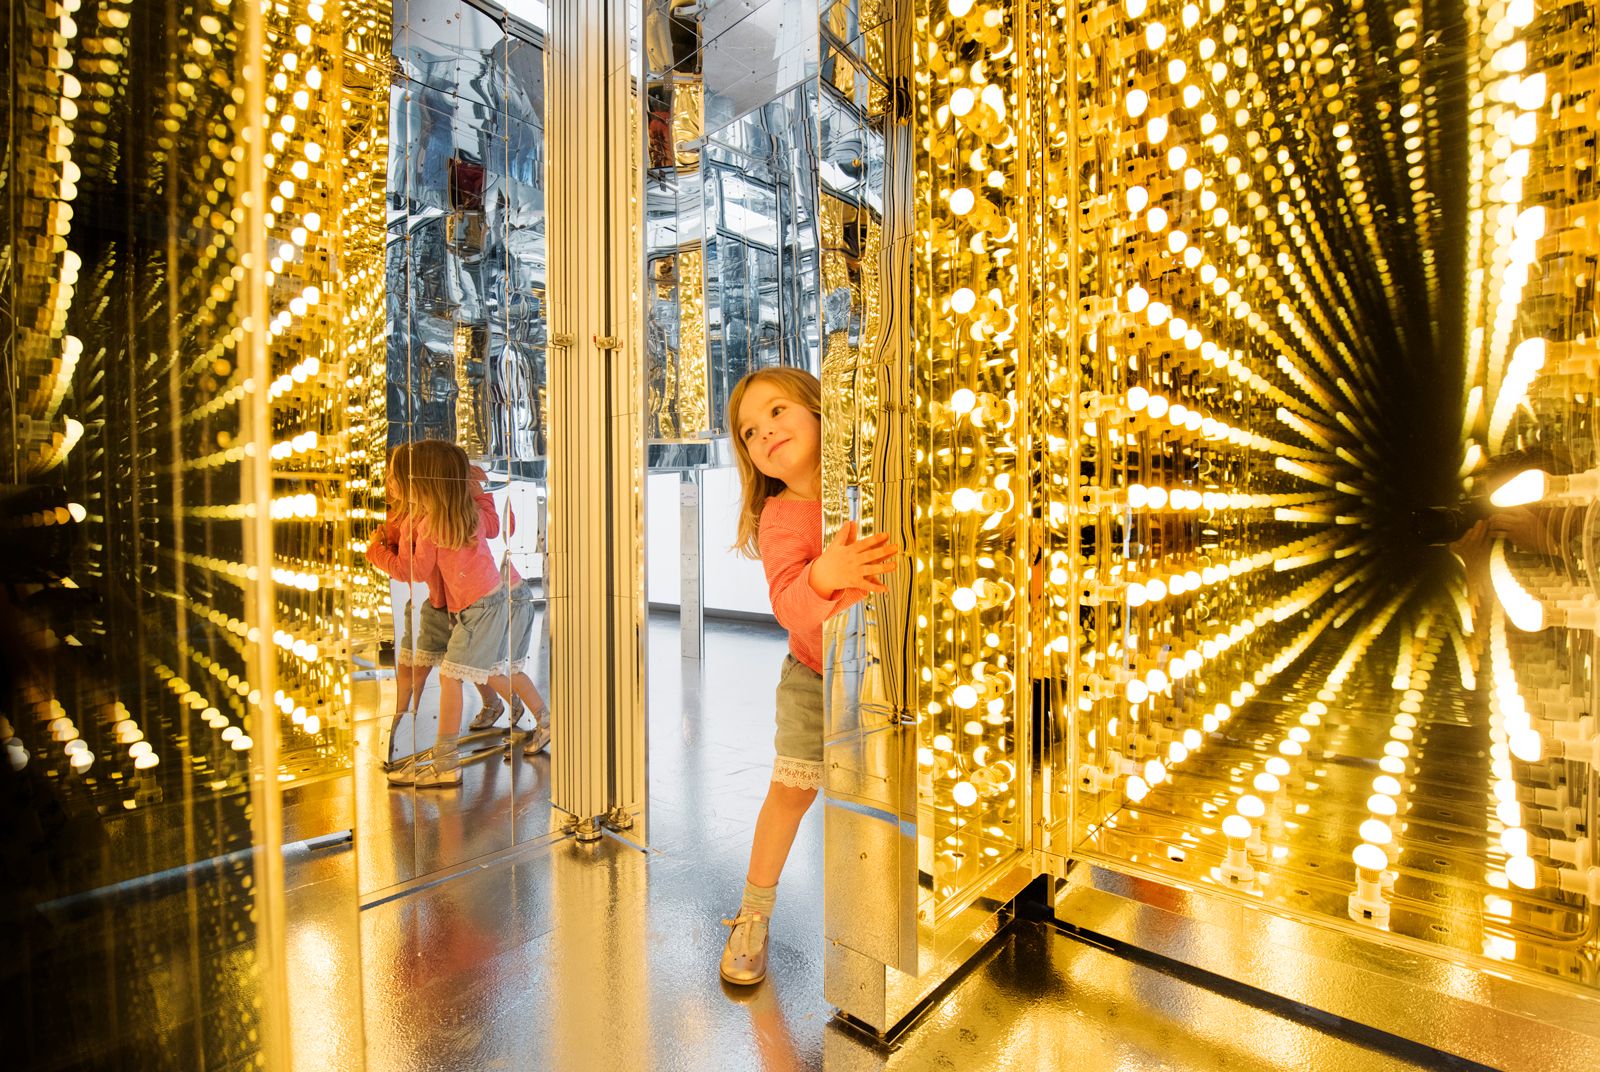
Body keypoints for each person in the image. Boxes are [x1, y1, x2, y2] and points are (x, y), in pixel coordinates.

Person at [718, 367, 899, 986]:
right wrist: (827, 571)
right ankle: (752, 915)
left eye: (777, 411)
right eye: (748, 432)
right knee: (791, 792)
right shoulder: (781, 518)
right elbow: (788, 604)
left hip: (885, 672)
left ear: (822, 413)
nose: (764, 432)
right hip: (813, 675)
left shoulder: (874, 482)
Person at [366, 440, 550, 788]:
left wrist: (376, 553)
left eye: (397, 476)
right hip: (482, 605)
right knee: (491, 671)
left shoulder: (430, 524)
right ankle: (540, 718)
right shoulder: (459, 513)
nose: (390, 482)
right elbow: (495, 526)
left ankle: (446, 762)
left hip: (485, 607)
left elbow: (414, 571)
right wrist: (475, 489)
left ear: (423, 484)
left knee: (461, 675)